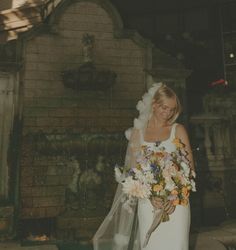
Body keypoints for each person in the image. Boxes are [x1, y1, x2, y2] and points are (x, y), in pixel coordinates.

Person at [93, 82, 195, 250]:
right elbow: (133, 174)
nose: (168, 113)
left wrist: (173, 197)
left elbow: (189, 169)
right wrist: (149, 197)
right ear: (154, 105)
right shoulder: (137, 133)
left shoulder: (178, 130)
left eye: (171, 109)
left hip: (176, 204)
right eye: (164, 108)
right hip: (149, 204)